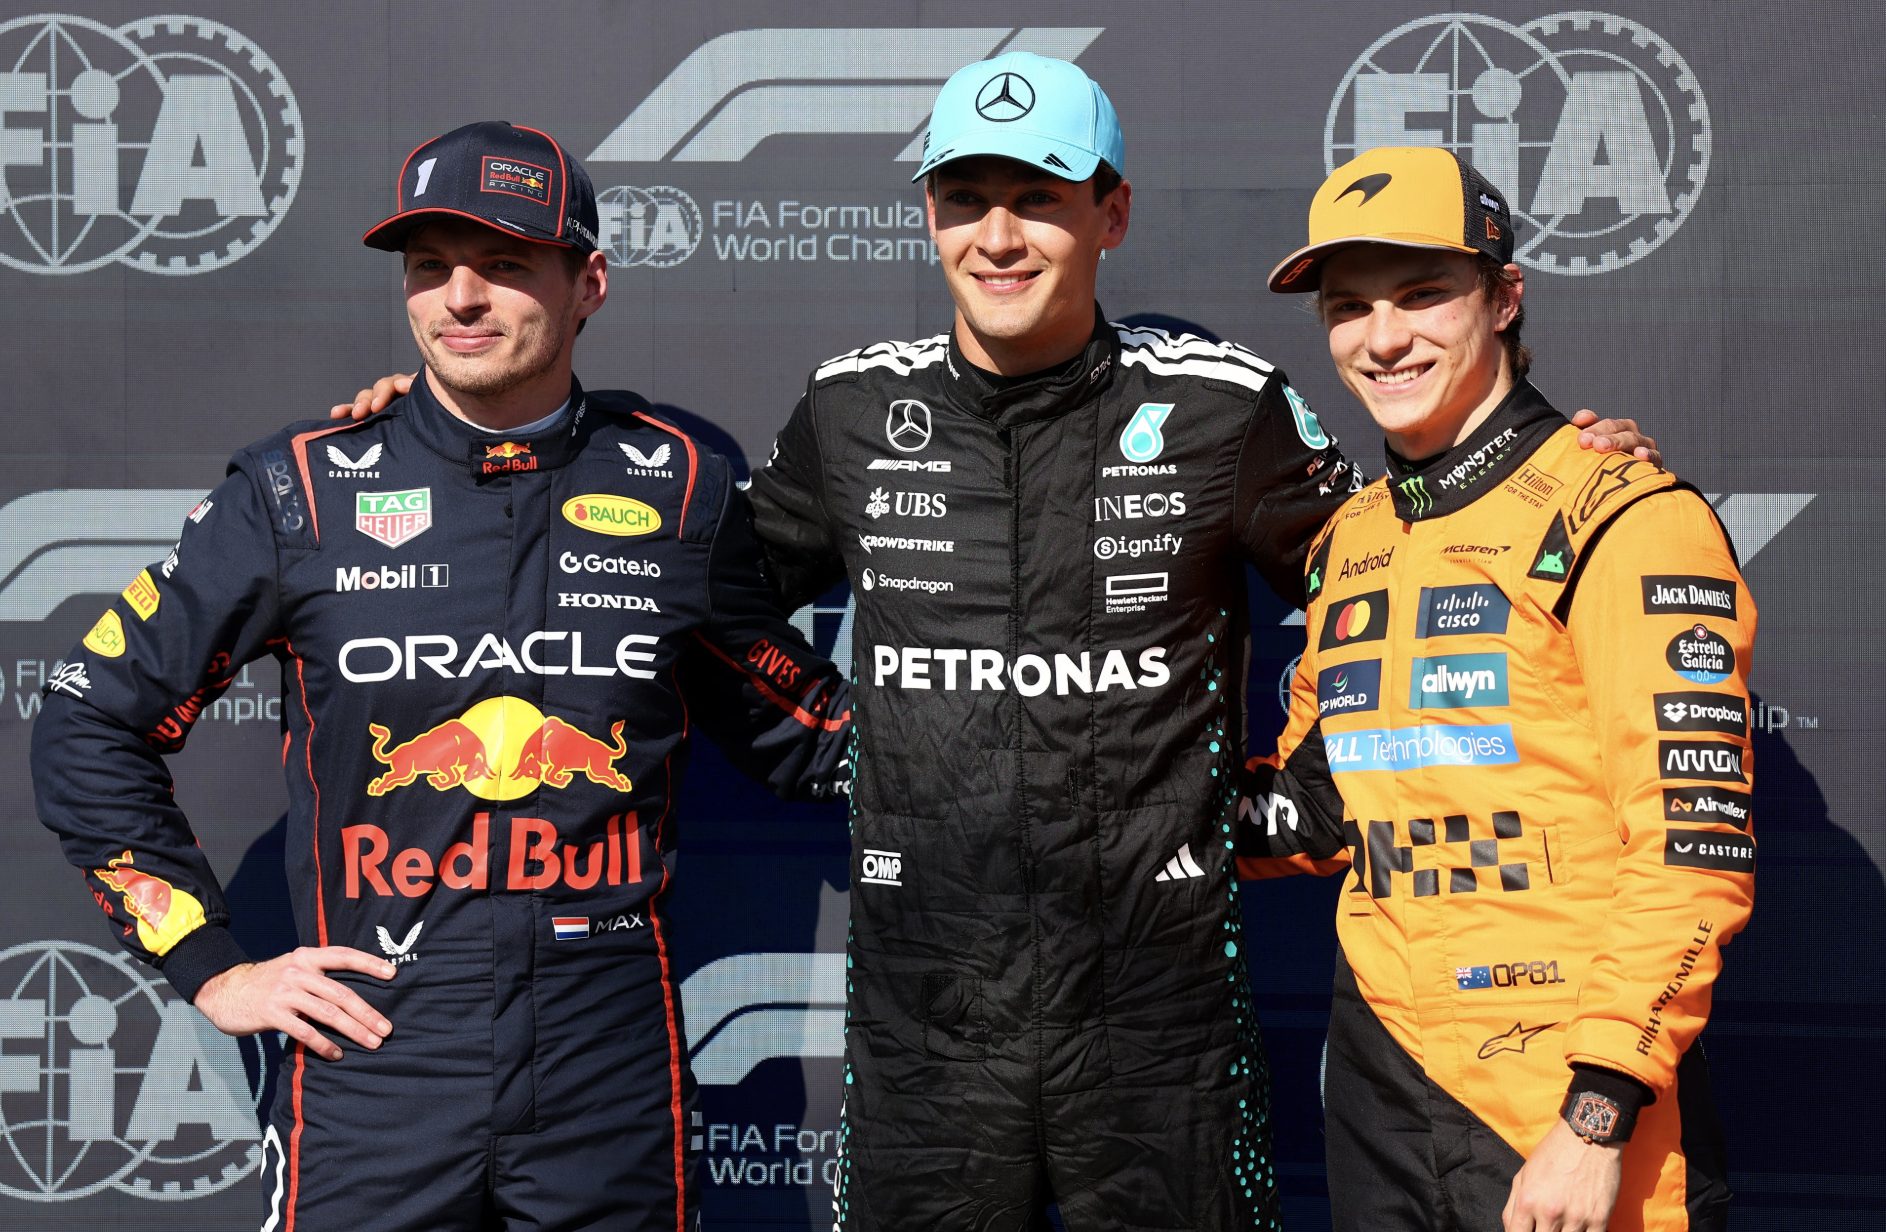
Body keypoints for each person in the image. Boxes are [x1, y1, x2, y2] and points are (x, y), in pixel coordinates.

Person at [332, 61, 1654, 1230]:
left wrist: (1533, 458)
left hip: (1162, 1025)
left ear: (1111, 213)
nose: (998, 236)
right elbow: (693, 587)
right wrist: (445, 432)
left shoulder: (1223, 407)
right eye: (964, 199)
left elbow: (1391, 569)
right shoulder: (854, 407)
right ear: (928, 216)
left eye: (1037, 198)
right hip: (925, 1029)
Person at [33, 120, 850, 1232]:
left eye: (504, 263)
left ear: (588, 284)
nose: (460, 298)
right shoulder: (298, 491)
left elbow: (801, 728)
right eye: (430, 267)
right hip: (374, 1056)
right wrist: (210, 964)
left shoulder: (680, 489)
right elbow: (87, 721)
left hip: (606, 1063)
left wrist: (1026, 733)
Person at [1241, 146, 1755, 1232]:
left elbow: (1690, 849)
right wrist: (1092, 788)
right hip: (1383, 1090)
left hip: (1567, 1104)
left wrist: (1596, 1116)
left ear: (1504, 296)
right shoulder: (1350, 538)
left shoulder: (1624, 512)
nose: (1383, 338)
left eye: (1422, 294)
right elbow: (1320, 805)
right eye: (1349, 307)